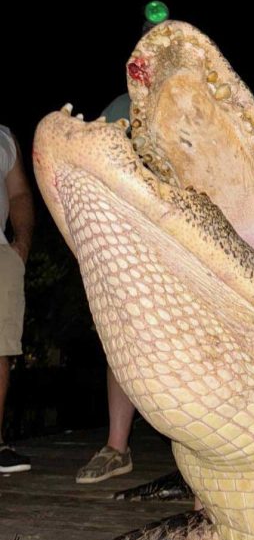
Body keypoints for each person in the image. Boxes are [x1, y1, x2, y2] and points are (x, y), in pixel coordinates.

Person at [75, 94, 136, 484]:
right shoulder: (121, 107)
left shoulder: (194, 98)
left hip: (189, 234)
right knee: (122, 340)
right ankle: (117, 447)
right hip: (129, 236)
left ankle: (200, 463)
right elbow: (93, 163)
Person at [0, 125, 34, 473]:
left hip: (0, 253)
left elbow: (20, 193)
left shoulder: (6, 136)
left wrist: (21, 242)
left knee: (0, 348)